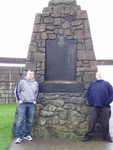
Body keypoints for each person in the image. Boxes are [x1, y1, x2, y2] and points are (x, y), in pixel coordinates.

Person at [82, 71, 113, 142]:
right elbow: (88, 94)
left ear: (102, 76)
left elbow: (112, 93)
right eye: (97, 74)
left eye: (100, 74)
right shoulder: (92, 84)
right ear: (96, 76)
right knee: (92, 122)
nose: (99, 75)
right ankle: (88, 136)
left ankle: (106, 136)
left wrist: (108, 101)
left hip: (105, 107)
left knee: (105, 123)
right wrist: (91, 102)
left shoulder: (107, 84)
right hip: (94, 106)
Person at [14, 69, 39, 144]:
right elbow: (16, 91)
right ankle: (19, 137)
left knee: (29, 120)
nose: (30, 75)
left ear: (33, 75)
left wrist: (35, 100)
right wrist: (19, 100)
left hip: (31, 104)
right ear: (27, 74)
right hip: (23, 104)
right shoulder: (22, 81)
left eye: (32, 74)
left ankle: (27, 135)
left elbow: (37, 92)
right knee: (20, 120)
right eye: (29, 74)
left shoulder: (35, 83)